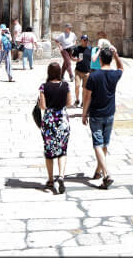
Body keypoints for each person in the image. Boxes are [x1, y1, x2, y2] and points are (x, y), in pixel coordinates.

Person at [82, 46, 124, 189]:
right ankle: (98, 170)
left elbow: (87, 97)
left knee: (97, 144)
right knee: (104, 144)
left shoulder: (93, 76)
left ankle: (106, 174)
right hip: (109, 114)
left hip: (96, 114)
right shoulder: (115, 75)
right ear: (111, 59)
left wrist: (84, 114)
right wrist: (117, 55)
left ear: (100, 60)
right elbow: (121, 68)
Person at [39, 61, 73, 194]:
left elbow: (43, 106)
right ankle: (61, 176)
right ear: (59, 72)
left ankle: (51, 179)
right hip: (63, 121)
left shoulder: (43, 87)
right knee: (62, 150)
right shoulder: (65, 85)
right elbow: (69, 103)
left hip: (49, 122)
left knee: (49, 151)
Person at [72, 35, 91, 107]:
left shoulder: (90, 49)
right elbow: (72, 57)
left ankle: (83, 101)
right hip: (78, 71)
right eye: (84, 40)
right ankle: (77, 100)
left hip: (87, 72)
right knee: (77, 86)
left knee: (84, 89)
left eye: (87, 40)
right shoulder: (77, 49)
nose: (86, 41)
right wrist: (76, 60)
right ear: (81, 41)